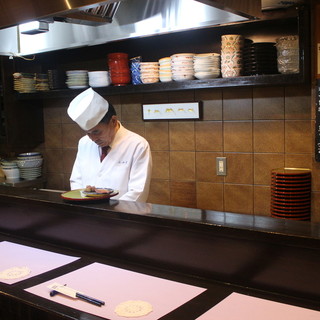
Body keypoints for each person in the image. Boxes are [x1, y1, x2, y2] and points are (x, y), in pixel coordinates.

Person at [67, 87, 152, 202]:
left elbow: (138, 192)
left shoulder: (137, 145)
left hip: (122, 216)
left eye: (96, 132)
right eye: (88, 133)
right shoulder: (84, 143)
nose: (93, 139)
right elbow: (76, 181)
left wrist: (110, 213)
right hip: (88, 214)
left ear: (113, 121)